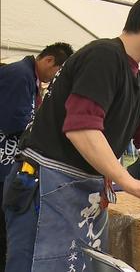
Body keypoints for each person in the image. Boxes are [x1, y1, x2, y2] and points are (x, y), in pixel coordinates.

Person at [2, 0, 140, 271]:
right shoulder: (103, 56)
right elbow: (81, 129)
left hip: (82, 195)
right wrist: (129, 181)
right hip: (47, 186)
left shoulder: (138, 84)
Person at [0, 42, 73, 269]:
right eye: (57, 72)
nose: (54, 78)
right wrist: (42, 127)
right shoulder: (20, 75)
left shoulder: (28, 78)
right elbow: (12, 120)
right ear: (49, 60)